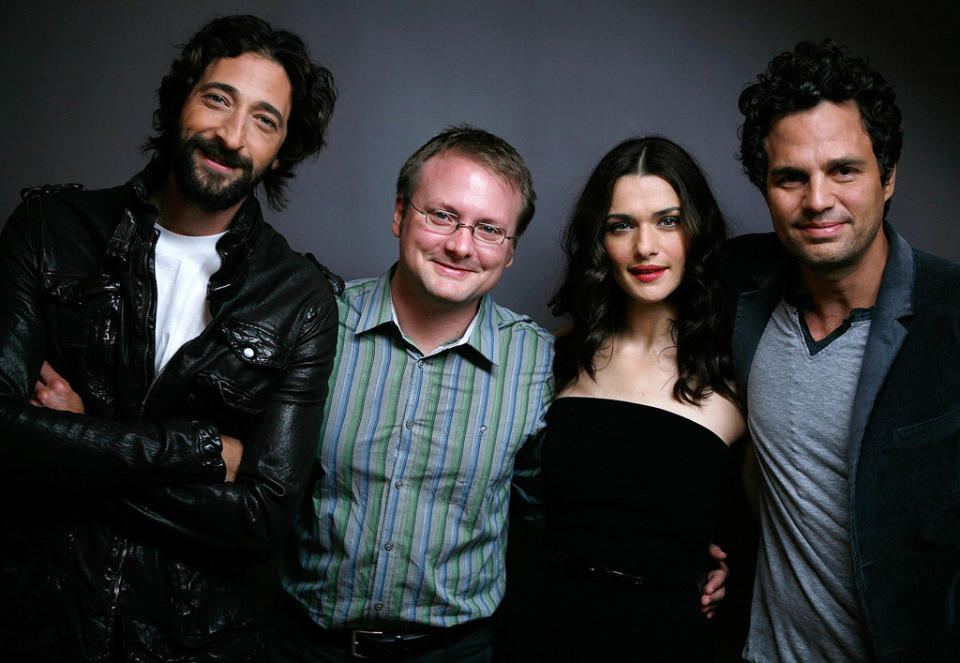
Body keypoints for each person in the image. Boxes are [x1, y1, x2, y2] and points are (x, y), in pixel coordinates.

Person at [0, 15, 340, 662]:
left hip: (193, 643)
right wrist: (203, 447)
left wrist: (78, 438)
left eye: (264, 120)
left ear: (282, 148)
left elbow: (264, 517)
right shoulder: (49, 231)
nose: (233, 136)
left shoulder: (301, 298)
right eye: (218, 99)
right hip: (39, 621)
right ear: (180, 99)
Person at [727, 39, 960, 662]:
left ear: (887, 178)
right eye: (790, 178)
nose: (818, 200)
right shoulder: (739, 291)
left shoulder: (951, 318)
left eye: (844, 170)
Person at [525, 136, 745, 660]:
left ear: (697, 230)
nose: (645, 246)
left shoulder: (738, 378)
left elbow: (773, 528)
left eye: (668, 220)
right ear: (601, 240)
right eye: (622, 225)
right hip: (542, 633)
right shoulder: (555, 358)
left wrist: (731, 564)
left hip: (668, 641)